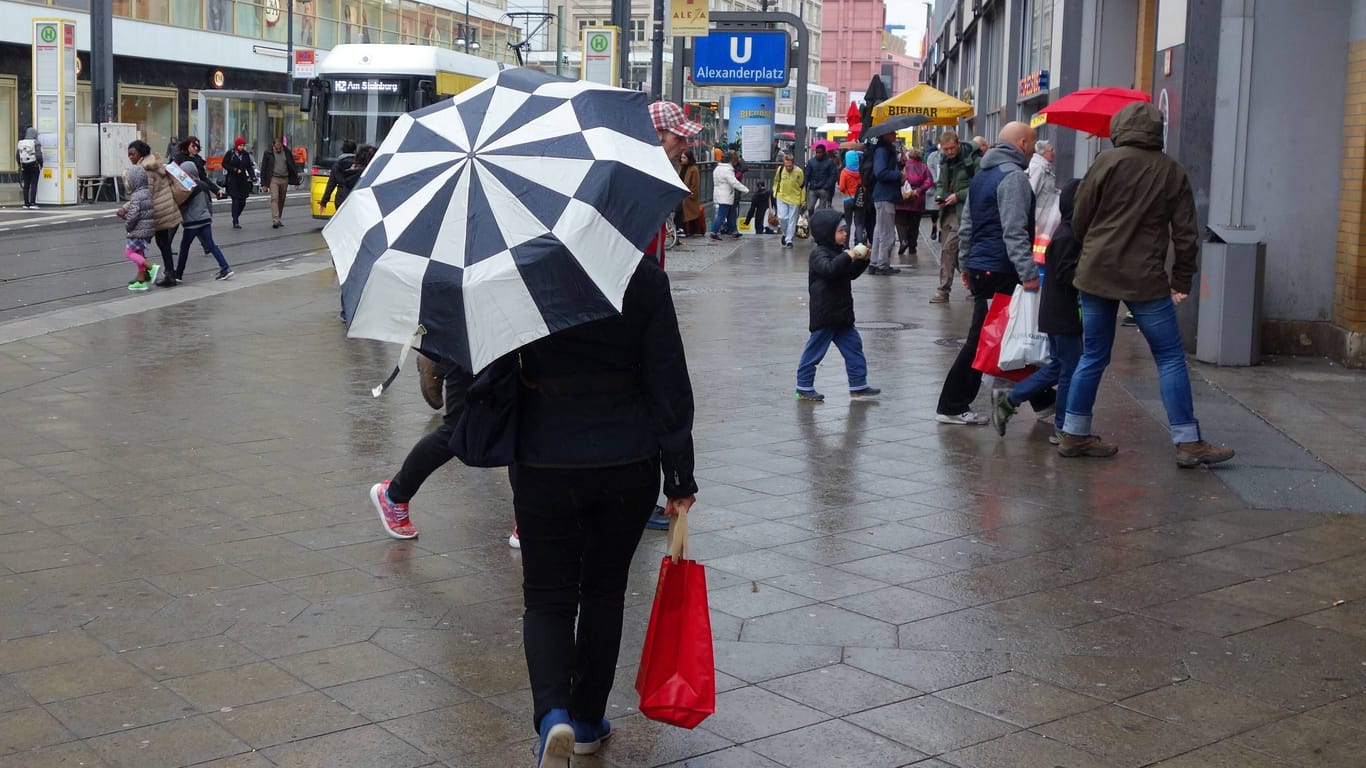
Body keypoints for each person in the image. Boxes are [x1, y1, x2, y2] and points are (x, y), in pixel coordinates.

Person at [512, 260, 697, 767]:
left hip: (544, 456)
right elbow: (667, 374)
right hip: (627, 458)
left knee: (547, 599)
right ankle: (589, 720)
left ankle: (554, 718)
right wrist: (679, 474)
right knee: (604, 591)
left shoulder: (520, 270)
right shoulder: (639, 274)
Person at [1060, 102, 1235, 467]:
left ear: (1120, 127)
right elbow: (1186, 234)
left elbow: (1080, 218)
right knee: (1169, 358)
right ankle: (1187, 442)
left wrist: (1090, 249)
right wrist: (1181, 279)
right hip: (1145, 277)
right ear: (1159, 131)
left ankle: (1074, 433)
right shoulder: (1171, 171)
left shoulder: (1105, 163)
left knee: (1093, 355)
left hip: (1096, 273)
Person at [935, 122, 1042, 426]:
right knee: (990, 337)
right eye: (1032, 142)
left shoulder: (983, 174)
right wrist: (1028, 272)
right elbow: (1014, 231)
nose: (1034, 148)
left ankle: (1040, 399)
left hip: (984, 267)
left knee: (1006, 334)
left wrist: (967, 265)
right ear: (1021, 143)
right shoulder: (1013, 178)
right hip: (1002, 268)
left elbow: (967, 226)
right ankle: (952, 404)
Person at [992, 179, 1083, 443]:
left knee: (1059, 365)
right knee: (1070, 369)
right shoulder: (1068, 235)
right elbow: (1069, 275)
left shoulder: (1065, 232)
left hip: (1057, 313)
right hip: (1063, 314)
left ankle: (1009, 399)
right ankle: (1063, 426)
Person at [369, 359, 474, 540]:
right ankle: (394, 495)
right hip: (475, 350)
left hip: (519, 348)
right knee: (457, 430)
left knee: (521, 427)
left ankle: (528, 514)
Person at [795, 210, 880, 402]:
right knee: (814, 352)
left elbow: (848, 273)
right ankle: (803, 386)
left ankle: (858, 385)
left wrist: (862, 261)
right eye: (841, 231)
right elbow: (830, 270)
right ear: (827, 232)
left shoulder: (838, 252)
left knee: (854, 348)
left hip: (841, 315)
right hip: (825, 315)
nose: (845, 234)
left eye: (845, 230)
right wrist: (848, 255)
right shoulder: (818, 254)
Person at [127, 140, 183, 287]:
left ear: (141, 153)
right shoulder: (152, 165)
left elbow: (144, 193)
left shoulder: (147, 170)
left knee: (141, 244)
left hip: (157, 212)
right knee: (159, 243)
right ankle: (157, 273)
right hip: (162, 210)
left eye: (133, 154)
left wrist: (126, 208)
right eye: (129, 155)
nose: (130, 157)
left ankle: (160, 274)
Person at [930, 131, 978, 304]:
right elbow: (941, 183)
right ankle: (975, 286)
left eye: (951, 148)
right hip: (948, 211)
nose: (949, 152)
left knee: (949, 249)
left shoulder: (972, 159)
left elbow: (979, 184)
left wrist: (958, 195)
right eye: (945, 149)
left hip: (964, 211)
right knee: (953, 254)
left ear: (958, 143)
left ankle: (943, 290)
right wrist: (940, 195)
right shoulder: (944, 161)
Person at [173, 161, 234, 282]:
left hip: (191, 222)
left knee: (184, 247)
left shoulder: (187, 188)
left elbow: (182, 206)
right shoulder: (203, 185)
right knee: (211, 245)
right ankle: (225, 268)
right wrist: (209, 216)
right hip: (205, 220)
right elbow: (209, 203)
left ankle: (178, 274)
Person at [116, 165, 160, 292]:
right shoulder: (146, 192)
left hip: (137, 230)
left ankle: (151, 268)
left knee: (129, 253)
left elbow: (133, 214)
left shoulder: (136, 196)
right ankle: (141, 281)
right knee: (139, 253)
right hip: (146, 230)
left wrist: (128, 225)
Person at [868, 132, 905, 275]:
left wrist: (900, 163)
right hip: (885, 195)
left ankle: (875, 262)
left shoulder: (884, 150)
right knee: (886, 233)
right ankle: (882, 264)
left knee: (879, 231)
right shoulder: (882, 151)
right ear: (885, 135)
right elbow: (881, 173)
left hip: (882, 195)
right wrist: (899, 174)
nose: (895, 134)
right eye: (892, 133)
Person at [894, 147, 934, 265]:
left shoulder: (903, 166)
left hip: (903, 198)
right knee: (914, 224)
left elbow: (898, 179)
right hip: (917, 200)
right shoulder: (924, 167)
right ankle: (912, 247)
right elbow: (929, 181)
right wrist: (919, 190)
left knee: (900, 221)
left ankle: (903, 240)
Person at [261, 137, 300, 229]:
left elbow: (293, 166)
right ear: (273, 146)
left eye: (280, 147)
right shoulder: (268, 153)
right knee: (275, 198)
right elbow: (264, 169)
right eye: (276, 148)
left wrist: (296, 182)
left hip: (284, 179)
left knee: (282, 199)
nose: (278, 149)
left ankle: (279, 217)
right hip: (273, 178)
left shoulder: (287, 152)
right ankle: (275, 219)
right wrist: (264, 184)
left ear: (282, 145)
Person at [708, 150, 748, 240]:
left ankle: (734, 231)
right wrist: (745, 189)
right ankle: (714, 231)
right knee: (722, 215)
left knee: (731, 214)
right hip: (726, 196)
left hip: (720, 194)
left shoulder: (717, 168)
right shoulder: (727, 170)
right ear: (731, 160)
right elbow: (734, 182)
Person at [221, 137, 256, 229]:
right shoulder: (230, 153)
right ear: (236, 145)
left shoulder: (245, 155)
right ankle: (235, 220)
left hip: (243, 180)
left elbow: (249, 167)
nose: (241, 147)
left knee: (243, 201)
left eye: (243, 145)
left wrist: (253, 177)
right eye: (240, 145)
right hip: (232, 180)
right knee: (235, 200)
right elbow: (224, 163)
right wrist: (234, 169)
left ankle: (236, 215)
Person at [772, 152, 805, 247]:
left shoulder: (799, 172)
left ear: (793, 164)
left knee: (792, 220)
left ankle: (789, 239)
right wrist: (775, 192)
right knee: (782, 218)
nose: (788, 168)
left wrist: (803, 200)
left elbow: (802, 186)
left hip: (795, 198)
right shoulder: (780, 169)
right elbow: (776, 181)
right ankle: (786, 234)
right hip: (781, 196)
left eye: (790, 166)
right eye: (786, 166)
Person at [320, 139, 357, 212]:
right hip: (355, 198)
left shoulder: (336, 166)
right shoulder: (360, 165)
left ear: (342, 151)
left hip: (341, 198)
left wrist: (323, 202)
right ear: (355, 151)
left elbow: (330, 185)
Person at [838, 149, 865, 245]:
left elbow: (841, 187)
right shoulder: (861, 171)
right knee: (859, 223)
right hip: (859, 199)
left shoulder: (844, 172)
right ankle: (859, 243)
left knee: (848, 223)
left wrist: (846, 191)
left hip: (847, 199)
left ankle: (846, 245)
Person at [676, 150, 703, 237]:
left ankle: (687, 230)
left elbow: (695, 183)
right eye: (681, 157)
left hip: (688, 195)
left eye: (684, 157)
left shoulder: (693, 169)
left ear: (689, 158)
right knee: (680, 212)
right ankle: (682, 229)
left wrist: (691, 193)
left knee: (689, 214)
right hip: (681, 194)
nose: (682, 159)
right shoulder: (681, 167)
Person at [803, 144, 837, 212]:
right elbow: (807, 174)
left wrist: (827, 186)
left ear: (824, 152)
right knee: (810, 208)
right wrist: (806, 185)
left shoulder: (829, 162)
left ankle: (818, 220)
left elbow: (833, 175)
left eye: (820, 152)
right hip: (813, 188)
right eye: (817, 152)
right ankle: (811, 220)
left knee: (821, 209)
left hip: (823, 189)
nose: (818, 154)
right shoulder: (811, 162)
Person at [16, 127, 41, 209]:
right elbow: (38, 155)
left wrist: (20, 164)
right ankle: (33, 203)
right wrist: (41, 163)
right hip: (34, 165)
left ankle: (26, 203)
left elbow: (17, 155)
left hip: (24, 166)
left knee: (26, 184)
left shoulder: (21, 143)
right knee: (34, 184)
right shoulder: (36, 142)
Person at [924, 143, 942, 242]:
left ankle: (941, 230)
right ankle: (934, 226)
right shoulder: (932, 156)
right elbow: (930, 169)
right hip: (934, 187)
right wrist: (935, 180)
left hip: (946, 188)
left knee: (943, 209)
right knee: (934, 210)